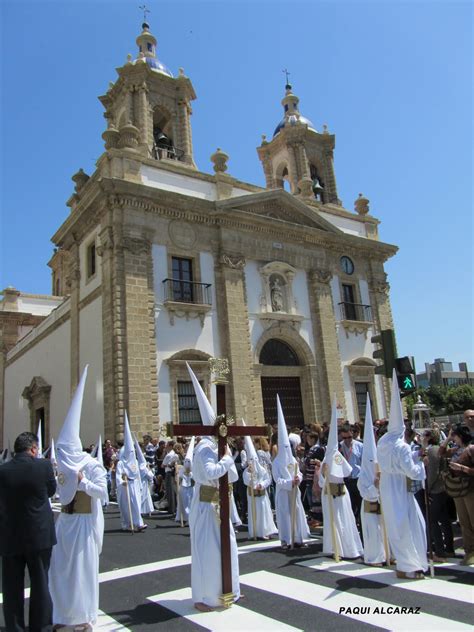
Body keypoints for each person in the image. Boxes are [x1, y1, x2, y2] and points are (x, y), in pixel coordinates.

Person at [49, 365, 108, 629]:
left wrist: (83, 484)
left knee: (82, 573)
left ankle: (83, 616)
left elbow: (102, 492)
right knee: (61, 571)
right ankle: (64, 615)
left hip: (83, 524)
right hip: (66, 523)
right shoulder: (62, 465)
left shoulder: (91, 465)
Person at [186, 363, 240, 611]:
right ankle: (207, 595)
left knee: (227, 546)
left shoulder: (218, 447)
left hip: (220, 505)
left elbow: (234, 477)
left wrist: (229, 458)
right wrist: (228, 459)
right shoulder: (206, 448)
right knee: (208, 551)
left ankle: (229, 590)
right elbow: (211, 473)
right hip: (207, 505)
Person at [0, 432, 56, 632]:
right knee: (40, 583)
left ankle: (15, 627)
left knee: (11, 586)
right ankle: (40, 627)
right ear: (33, 448)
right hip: (39, 534)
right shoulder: (44, 466)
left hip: (10, 535)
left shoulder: (3, 470)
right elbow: (51, 491)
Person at [377, 370, 428, 579]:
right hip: (401, 487)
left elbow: (391, 462)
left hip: (387, 486)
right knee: (412, 525)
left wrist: (414, 454)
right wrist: (422, 464)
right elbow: (412, 472)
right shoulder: (402, 446)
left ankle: (403, 562)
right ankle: (410, 565)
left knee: (396, 525)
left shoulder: (383, 442)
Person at [319, 397, 363, 560]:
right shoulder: (329, 456)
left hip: (345, 489)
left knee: (347, 518)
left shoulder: (339, 456)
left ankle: (350, 546)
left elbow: (347, 470)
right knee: (334, 521)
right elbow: (321, 480)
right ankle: (335, 547)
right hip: (331, 494)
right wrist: (323, 473)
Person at [272, 396, 310, 550]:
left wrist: (298, 479)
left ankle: (299, 538)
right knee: (285, 516)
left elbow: (299, 472)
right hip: (284, 493)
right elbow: (277, 480)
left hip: (294, 492)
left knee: (298, 514)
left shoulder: (293, 460)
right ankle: (286, 539)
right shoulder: (276, 462)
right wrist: (289, 482)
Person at [357, 396, 386, 566]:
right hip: (370, 507)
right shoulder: (363, 476)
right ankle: (375, 556)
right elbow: (365, 492)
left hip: (382, 507)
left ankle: (387, 553)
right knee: (372, 533)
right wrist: (375, 486)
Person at [439, 424, 474, 565]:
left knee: (472, 520)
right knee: (464, 522)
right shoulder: (456, 450)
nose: (454, 438)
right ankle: (470, 550)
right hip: (458, 489)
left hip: (470, 488)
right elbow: (441, 452)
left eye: (455, 435)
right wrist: (447, 438)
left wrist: (462, 468)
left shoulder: (470, 449)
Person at [421, 428, 454, 560]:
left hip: (436, 489)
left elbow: (433, 472)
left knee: (433, 520)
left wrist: (427, 488)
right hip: (441, 488)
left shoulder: (432, 450)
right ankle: (449, 548)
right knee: (444, 519)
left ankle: (440, 550)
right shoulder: (434, 449)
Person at [242, 432, 277, 540]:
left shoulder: (262, 469)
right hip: (252, 495)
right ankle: (255, 532)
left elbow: (267, 479)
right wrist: (251, 479)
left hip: (261, 494)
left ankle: (266, 530)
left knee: (264, 512)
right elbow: (245, 480)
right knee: (254, 512)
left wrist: (261, 485)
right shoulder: (247, 471)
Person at [116, 413, 146, 532]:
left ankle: (138, 522)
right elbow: (119, 475)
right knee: (127, 507)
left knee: (136, 505)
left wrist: (139, 484)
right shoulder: (121, 463)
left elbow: (138, 474)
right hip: (126, 487)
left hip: (134, 485)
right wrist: (122, 481)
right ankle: (128, 524)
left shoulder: (134, 462)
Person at [339, 423, 363, 528]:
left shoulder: (360, 446)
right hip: (346, 481)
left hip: (358, 479)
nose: (347, 440)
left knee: (361, 507)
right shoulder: (339, 447)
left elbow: (364, 462)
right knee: (349, 508)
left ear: (352, 434)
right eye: (345, 438)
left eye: (349, 437)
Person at [175, 437, 195, 526]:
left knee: (192, 502)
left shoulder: (194, 469)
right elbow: (179, 476)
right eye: (186, 461)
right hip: (184, 487)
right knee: (185, 503)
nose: (187, 463)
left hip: (191, 487)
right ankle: (186, 518)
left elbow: (195, 477)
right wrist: (179, 474)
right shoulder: (182, 469)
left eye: (189, 461)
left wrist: (191, 474)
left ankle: (192, 518)